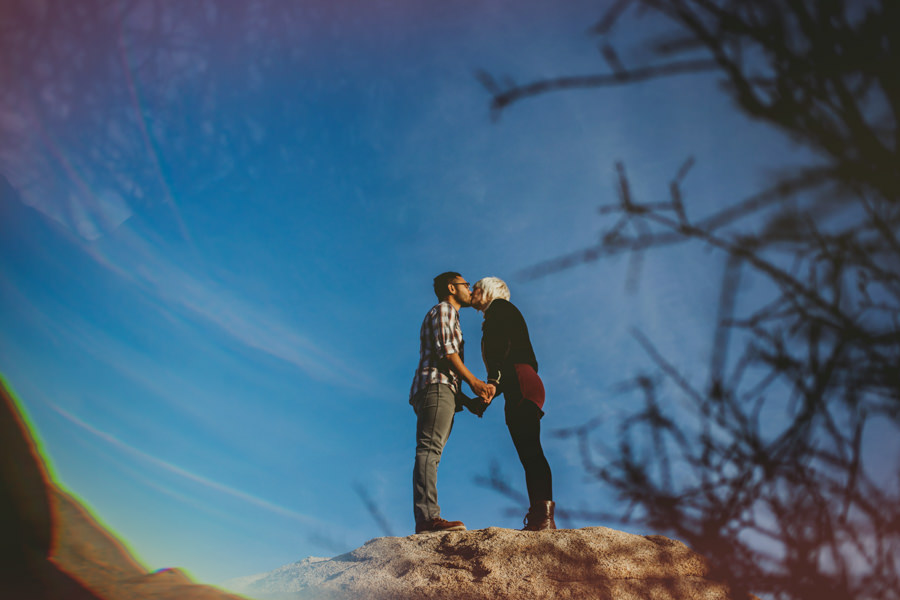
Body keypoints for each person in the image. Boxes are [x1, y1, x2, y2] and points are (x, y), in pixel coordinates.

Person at [409, 272, 495, 534]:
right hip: (436, 386)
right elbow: (447, 352)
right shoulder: (445, 309)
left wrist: (468, 402)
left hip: (440, 388)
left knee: (432, 451)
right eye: (465, 285)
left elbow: (446, 363)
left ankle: (428, 517)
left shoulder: (450, 315)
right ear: (451, 288)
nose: (469, 289)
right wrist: (475, 382)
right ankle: (427, 519)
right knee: (429, 449)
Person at [471, 276, 556, 531]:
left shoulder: (499, 309)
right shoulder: (499, 312)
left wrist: (492, 381)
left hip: (521, 380)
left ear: (487, 290)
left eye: (476, 287)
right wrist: (486, 398)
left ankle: (543, 518)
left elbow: (501, 348)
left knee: (531, 451)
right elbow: (504, 361)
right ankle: (540, 514)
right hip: (520, 382)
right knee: (528, 453)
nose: (472, 292)